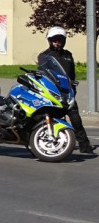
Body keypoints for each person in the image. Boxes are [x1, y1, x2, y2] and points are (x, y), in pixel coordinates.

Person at [38, 26, 94, 155]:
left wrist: (73, 88)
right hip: (52, 92)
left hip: (67, 92)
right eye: (54, 40)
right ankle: (46, 142)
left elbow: (72, 74)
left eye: (60, 39)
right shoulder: (44, 56)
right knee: (47, 119)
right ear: (50, 40)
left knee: (76, 120)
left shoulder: (68, 55)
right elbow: (42, 73)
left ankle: (85, 146)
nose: (57, 42)